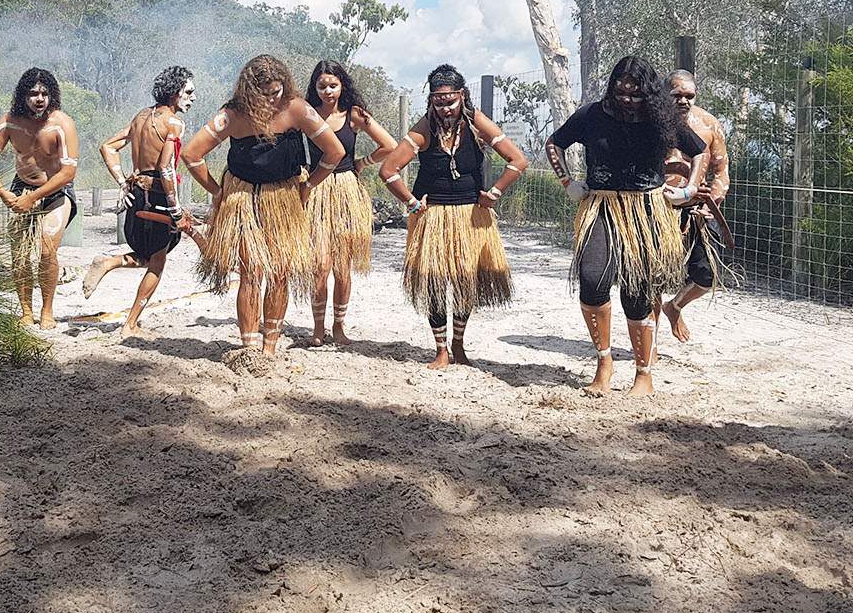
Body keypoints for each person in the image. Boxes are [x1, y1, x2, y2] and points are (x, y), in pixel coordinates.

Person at [546, 56, 706, 398]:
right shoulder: (592, 115)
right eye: (621, 93)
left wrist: (689, 190)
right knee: (592, 281)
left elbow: (698, 152)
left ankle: (643, 374)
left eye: (635, 95)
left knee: (637, 293)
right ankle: (604, 363)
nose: (627, 100)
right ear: (612, 88)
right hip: (600, 206)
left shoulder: (661, 118)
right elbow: (553, 143)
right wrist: (567, 182)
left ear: (648, 93)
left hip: (646, 211)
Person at [181, 55, 345, 355]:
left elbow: (334, 151)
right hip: (243, 198)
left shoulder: (296, 108)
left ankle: (269, 346)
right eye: (265, 94)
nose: (272, 99)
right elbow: (191, 154)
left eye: (277, 92)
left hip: (284, 198)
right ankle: (248, 346)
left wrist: (308, 185)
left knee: (280, 271)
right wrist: (217, 192)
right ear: (249, 91)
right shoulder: (232, 114)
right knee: (251, 272)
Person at [379, 64, 527, 369]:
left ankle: (458, 345)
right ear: (431, 100)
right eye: (439, 101)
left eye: (451, 101)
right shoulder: (423, 129)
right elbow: (388, 170)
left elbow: (517, 160)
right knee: (434, 281)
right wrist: (410, 202)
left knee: (463, 279)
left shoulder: (477, 122)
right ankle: (441, 350)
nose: (445, 108)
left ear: (462, 96)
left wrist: (495, 192)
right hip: (433, 216)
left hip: (470, 216)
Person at [83, 66, 197, 339]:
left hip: (136, 194)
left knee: (152, 256)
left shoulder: (140, 117)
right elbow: (166, 168)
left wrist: (124, 182)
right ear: (175, 92)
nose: (193, 98)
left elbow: (108, 147)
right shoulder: (174, 123)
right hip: (156, 196)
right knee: (157, 262)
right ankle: (130, 323)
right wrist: (175, 208)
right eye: (189, 92)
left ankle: (109, 263)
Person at [303, 60, 398, 346]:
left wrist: (362, 163)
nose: (327, 91)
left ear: (342, 85)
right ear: (314, 87)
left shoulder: (354, 115)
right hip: (316, 189)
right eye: (322, 86)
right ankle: (318, 328)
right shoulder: (307, 113)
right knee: (320, 264)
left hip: (346, 190)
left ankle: (339, 326)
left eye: (333, 85)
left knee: (342, 267)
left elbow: (389, 145)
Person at [0, 68, 79, 330]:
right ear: (23, 95)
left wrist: (33, 197)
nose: (39, 99)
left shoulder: (61, 123)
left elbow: (68, 172)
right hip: (20, 189)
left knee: (47, 248)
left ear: (52, 95)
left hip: (57, 191)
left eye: (44, 93)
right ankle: (26, 311)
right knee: (20, 254)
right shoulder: (10, 122)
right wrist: (3, 192)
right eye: (34, 93)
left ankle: (47, 311)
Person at [661, 69, 733, 343]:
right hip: (658, 210)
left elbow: (721, 171)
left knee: (705, 276)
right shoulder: (651, 123)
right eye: (676, 95)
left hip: (695, 212)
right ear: (664, 94)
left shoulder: (709, 124)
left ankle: (675, 306)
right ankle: (648, 344)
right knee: (652, 277)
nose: (683, 101)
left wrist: (711, 203)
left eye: (689, 96)